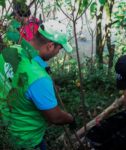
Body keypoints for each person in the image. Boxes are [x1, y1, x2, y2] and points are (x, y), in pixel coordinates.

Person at [0, 20, 75, 149]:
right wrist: (70, 119)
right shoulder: (39, 78)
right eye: (60, 48)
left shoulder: (11, 51)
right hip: (26, 140)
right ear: (50, 46)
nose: (58, 53)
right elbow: (55, 117)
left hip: (5, 128)